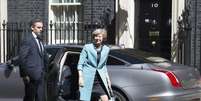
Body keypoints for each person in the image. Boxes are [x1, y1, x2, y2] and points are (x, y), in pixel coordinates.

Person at [77, 28, 112, 101]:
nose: (97, 38)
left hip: (99, 80)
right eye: (96, 36)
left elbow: (104, 65)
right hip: (87, 78)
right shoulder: (87, 47)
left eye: (99, 36)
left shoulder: (106, 49)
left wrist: (107, 79)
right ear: (93, 37)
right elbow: (80, 64)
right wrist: (80, 77)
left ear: (103, 38)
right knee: (85, 99)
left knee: (105, 99)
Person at [19, 18, 48, 101]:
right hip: (31, 76)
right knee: (30, 98)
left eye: (42, 28)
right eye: (39, 27)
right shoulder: (27, 40)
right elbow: (22, 58)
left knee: (40, 98)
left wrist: (45, 71)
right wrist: (24, 75)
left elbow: (43, 56)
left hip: (41, 75)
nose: (41, 29)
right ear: (32, 27)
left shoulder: (40, 40)